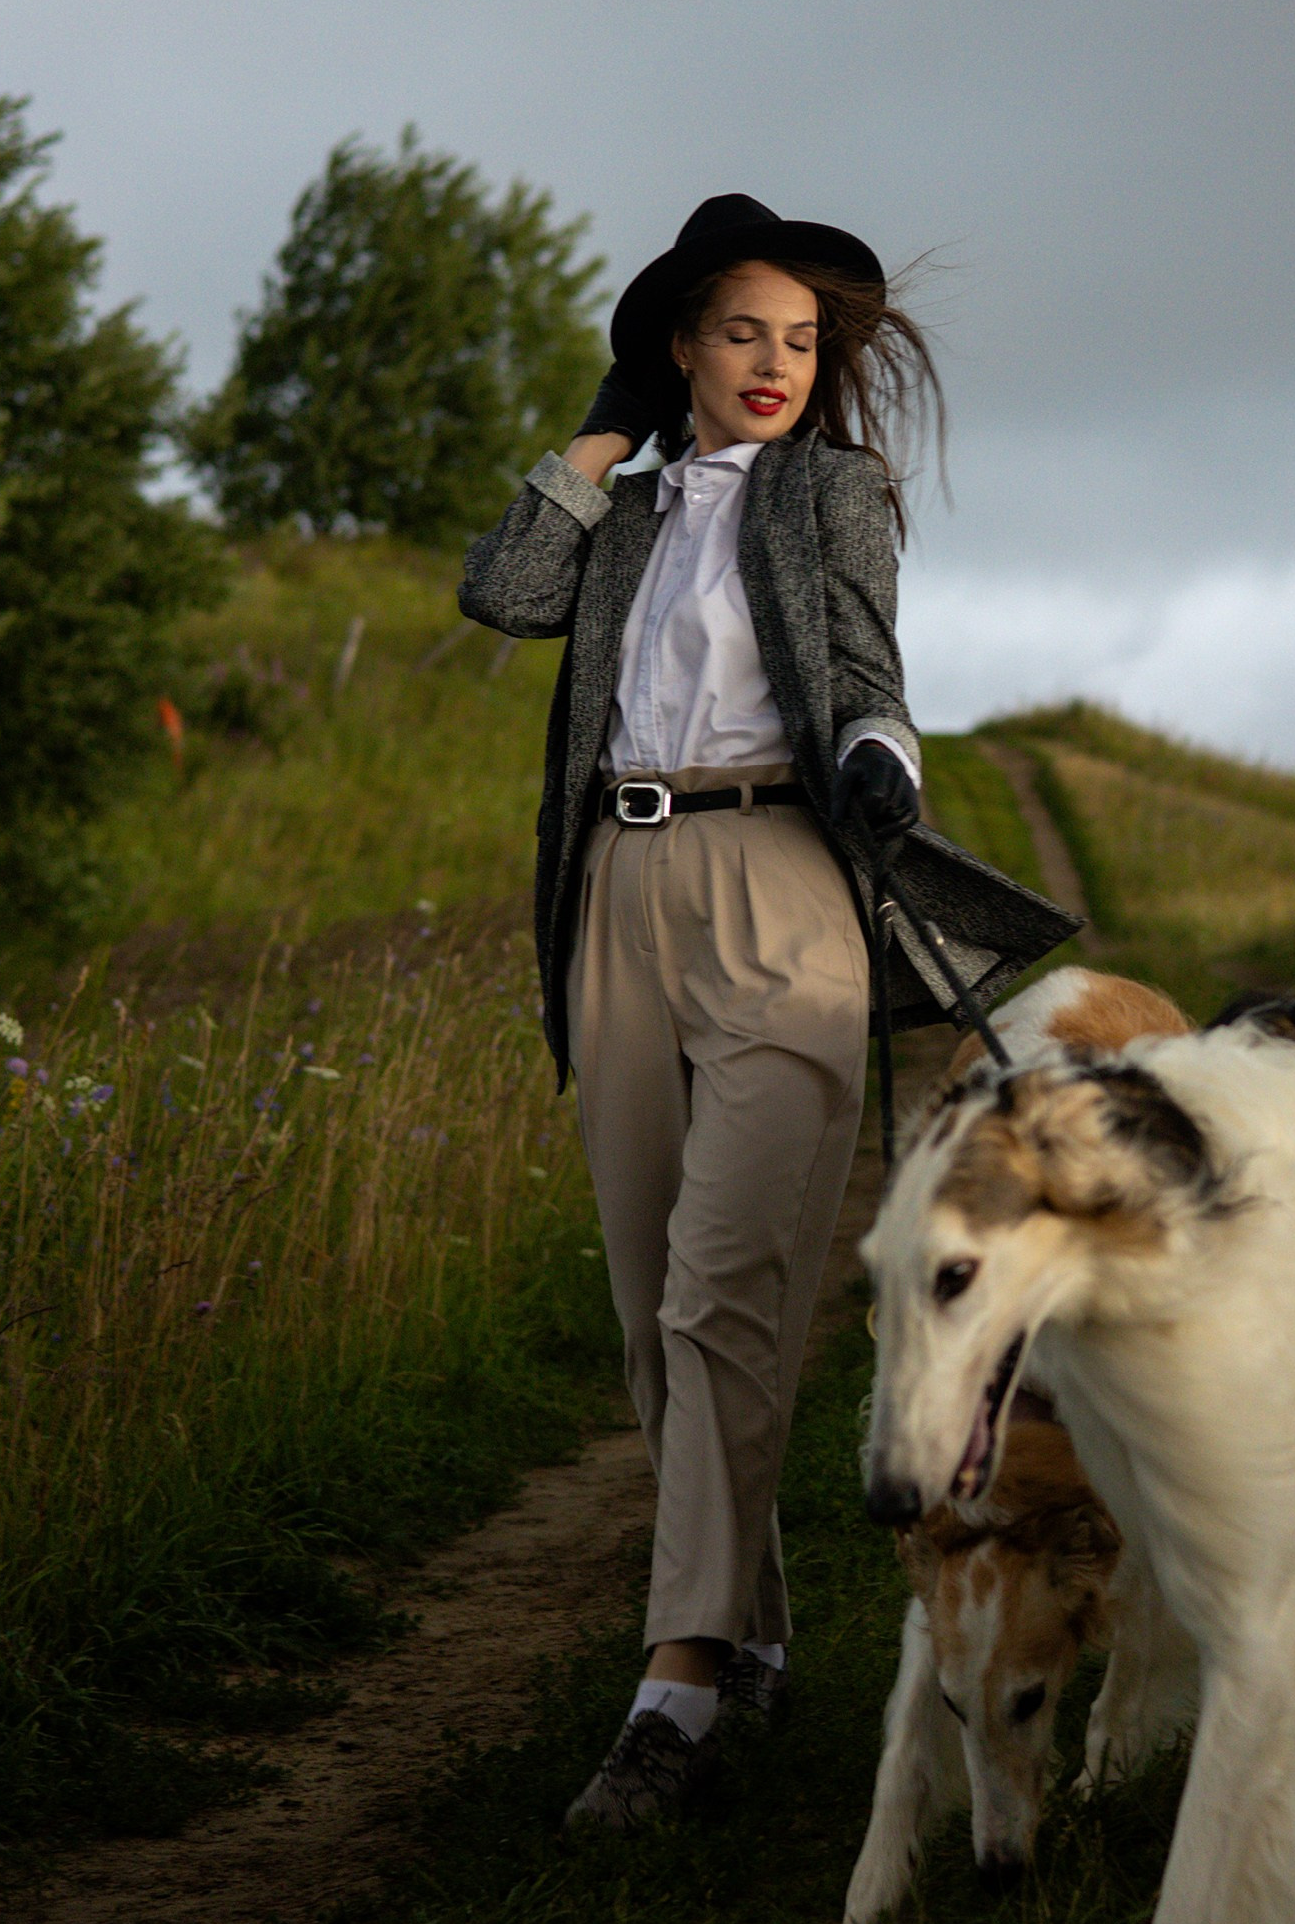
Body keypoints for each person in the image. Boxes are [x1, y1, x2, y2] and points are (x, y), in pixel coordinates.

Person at [459, 194, 1073, 1827]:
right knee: (650, 1304)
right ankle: (755, 1634)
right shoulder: (626, 513)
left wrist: (880, 759)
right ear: (679, 344)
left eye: (801, 341)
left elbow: (868, 676)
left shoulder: (833, 492)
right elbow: (504, 591)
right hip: (615, 896)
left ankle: (672, 1691)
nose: (776, 365)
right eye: (741, 332)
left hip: (783, 887)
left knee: (721, 1293)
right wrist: (600, 435)